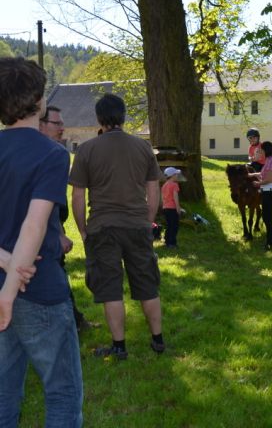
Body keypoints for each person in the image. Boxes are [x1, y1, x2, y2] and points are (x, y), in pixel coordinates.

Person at [0, 57, 83, 426]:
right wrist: (10, 287)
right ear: (38, 101)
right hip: (38, 289)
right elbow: (33, 227)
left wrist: (5, 264)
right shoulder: (52, 153)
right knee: (62, 392)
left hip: (6, 282)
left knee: (3, 392)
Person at [70, 93, 164, 360]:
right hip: (137, 226)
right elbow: (153, 188)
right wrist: (148, 221)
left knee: (111, 289)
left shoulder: (87, 150)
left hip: (102, 228)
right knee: (147, 285)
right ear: (124, 116)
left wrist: (83, 230)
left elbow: (78, 196)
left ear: (99, 118)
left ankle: (119, 346)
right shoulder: (143, 147)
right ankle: (158, 340)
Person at [39, 105, 92, 331]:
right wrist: (58, 233)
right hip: (45, 227)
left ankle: (74, 320)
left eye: (62, 123)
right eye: (56, 123)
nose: (62, 127)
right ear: (41, 125)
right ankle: (69, 324)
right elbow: (44, 202)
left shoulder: (55, 152)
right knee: (55, 277)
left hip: (53, 224)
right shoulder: (47, 154)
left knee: (58, 273)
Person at [250, 141, 272, 250]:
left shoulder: (271, 161)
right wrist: (252, 174)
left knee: (267, 218)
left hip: (269, 191)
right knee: (267, 216)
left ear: (265, 150)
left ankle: (270, 243)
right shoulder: (269, 160)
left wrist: (258, 183)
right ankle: (270, 239)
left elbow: (269, 179)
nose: (260, 152)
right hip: (267, 190)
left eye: (262, 150)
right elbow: (263, 174)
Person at [161, 167, 182, 249]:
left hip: (166, 208)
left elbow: (163, 198)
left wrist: (164, 206)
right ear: (172, 175)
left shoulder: (164, 185)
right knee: (174, 226)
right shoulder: (174, 185)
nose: (177, 175)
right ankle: (172, 243)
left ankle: (167, 241)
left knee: (169, 225)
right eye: (176, 174)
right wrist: (178, 209)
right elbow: (175, 198)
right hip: (173, 208)